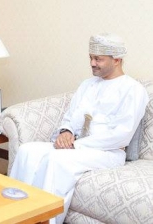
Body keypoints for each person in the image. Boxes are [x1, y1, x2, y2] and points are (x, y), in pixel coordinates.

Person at [9, 33, 149, 224]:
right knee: (27, 151)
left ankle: (44, 219)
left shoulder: (133, 89)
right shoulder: (87, 85)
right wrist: (65, 132)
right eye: (90, 57)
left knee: (56, 159)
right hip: (76, 145)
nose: (92, 63)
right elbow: (70, 116)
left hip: (107, 151)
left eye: (98, 59)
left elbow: (121, 136)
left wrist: (77, 145)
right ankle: (15, 214)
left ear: (116, 59)